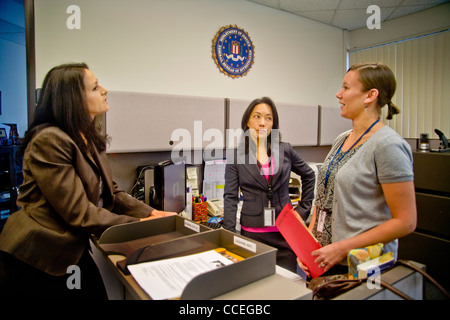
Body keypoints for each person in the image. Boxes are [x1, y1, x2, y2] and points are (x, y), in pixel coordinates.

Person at [0, 63, 176, 299]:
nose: (104, 90)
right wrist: (142, 226)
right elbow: (79, 213)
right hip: (38, 255)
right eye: (94, 87)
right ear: (71, 98)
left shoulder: (87, 136)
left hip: (71, 250)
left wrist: (150, 213)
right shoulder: (50, 140)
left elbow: (111, 191)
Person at [304, 62, 417, 276]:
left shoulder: (388, 145)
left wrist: (341, 248)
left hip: (358, 266)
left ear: (370, 96)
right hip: (324, 258)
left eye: (346, 88)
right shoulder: (342, 139)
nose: (339, 94)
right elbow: (323, 199)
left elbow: (406, 221)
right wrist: (308, 244)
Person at [223, 97, 316, 272]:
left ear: (273, 124)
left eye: (268, 118)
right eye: (257, 117)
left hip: (285, 235)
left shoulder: (285, 150)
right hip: (252, 235)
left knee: (286, 287)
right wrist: (229, 236)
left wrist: (302, 211)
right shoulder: (236, 156)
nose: (262, 123)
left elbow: (309, 175)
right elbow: (230, 197)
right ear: (247, 122)